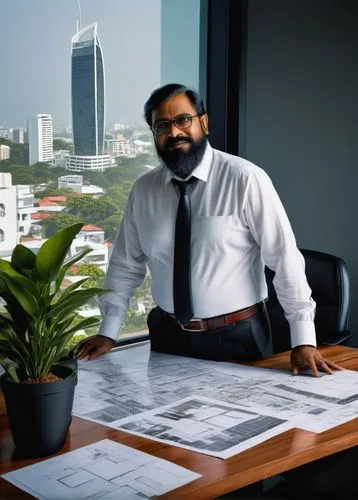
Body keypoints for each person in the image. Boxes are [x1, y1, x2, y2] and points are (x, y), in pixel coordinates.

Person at [76, 83, 341, 377]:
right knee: (168, 420)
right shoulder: (144, 190)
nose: (174, 132)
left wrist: (303, 339)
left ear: (203, 122)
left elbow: (284, 258)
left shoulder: (245, 179)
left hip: (237, 337)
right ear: (154, 134)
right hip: (168, 337)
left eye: (183, 120)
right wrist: (109, 331)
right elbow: (126, 263)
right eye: (162, 125)